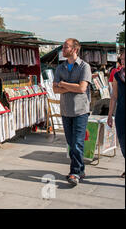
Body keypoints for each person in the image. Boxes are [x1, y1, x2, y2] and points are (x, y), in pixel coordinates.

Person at [53, 38, 92, 186]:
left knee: (77, 144)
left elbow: (82, 88)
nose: (63, 49)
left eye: (66, 47)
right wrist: (71, 86)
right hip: (66, 110)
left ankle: (74, 173)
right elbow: (55, 89)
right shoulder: (60, 68)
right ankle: (81, 169)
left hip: (81, 111)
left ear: (75, 49)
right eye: (63, 47)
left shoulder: (84, 67)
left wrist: (63, 84)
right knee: (71, 143)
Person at [107, 51, 125, 178]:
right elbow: (114, 96)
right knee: (123, 141)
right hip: (121, 113)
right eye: (122, 59)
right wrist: (109, 115)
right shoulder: (117, 75)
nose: (123, 61)